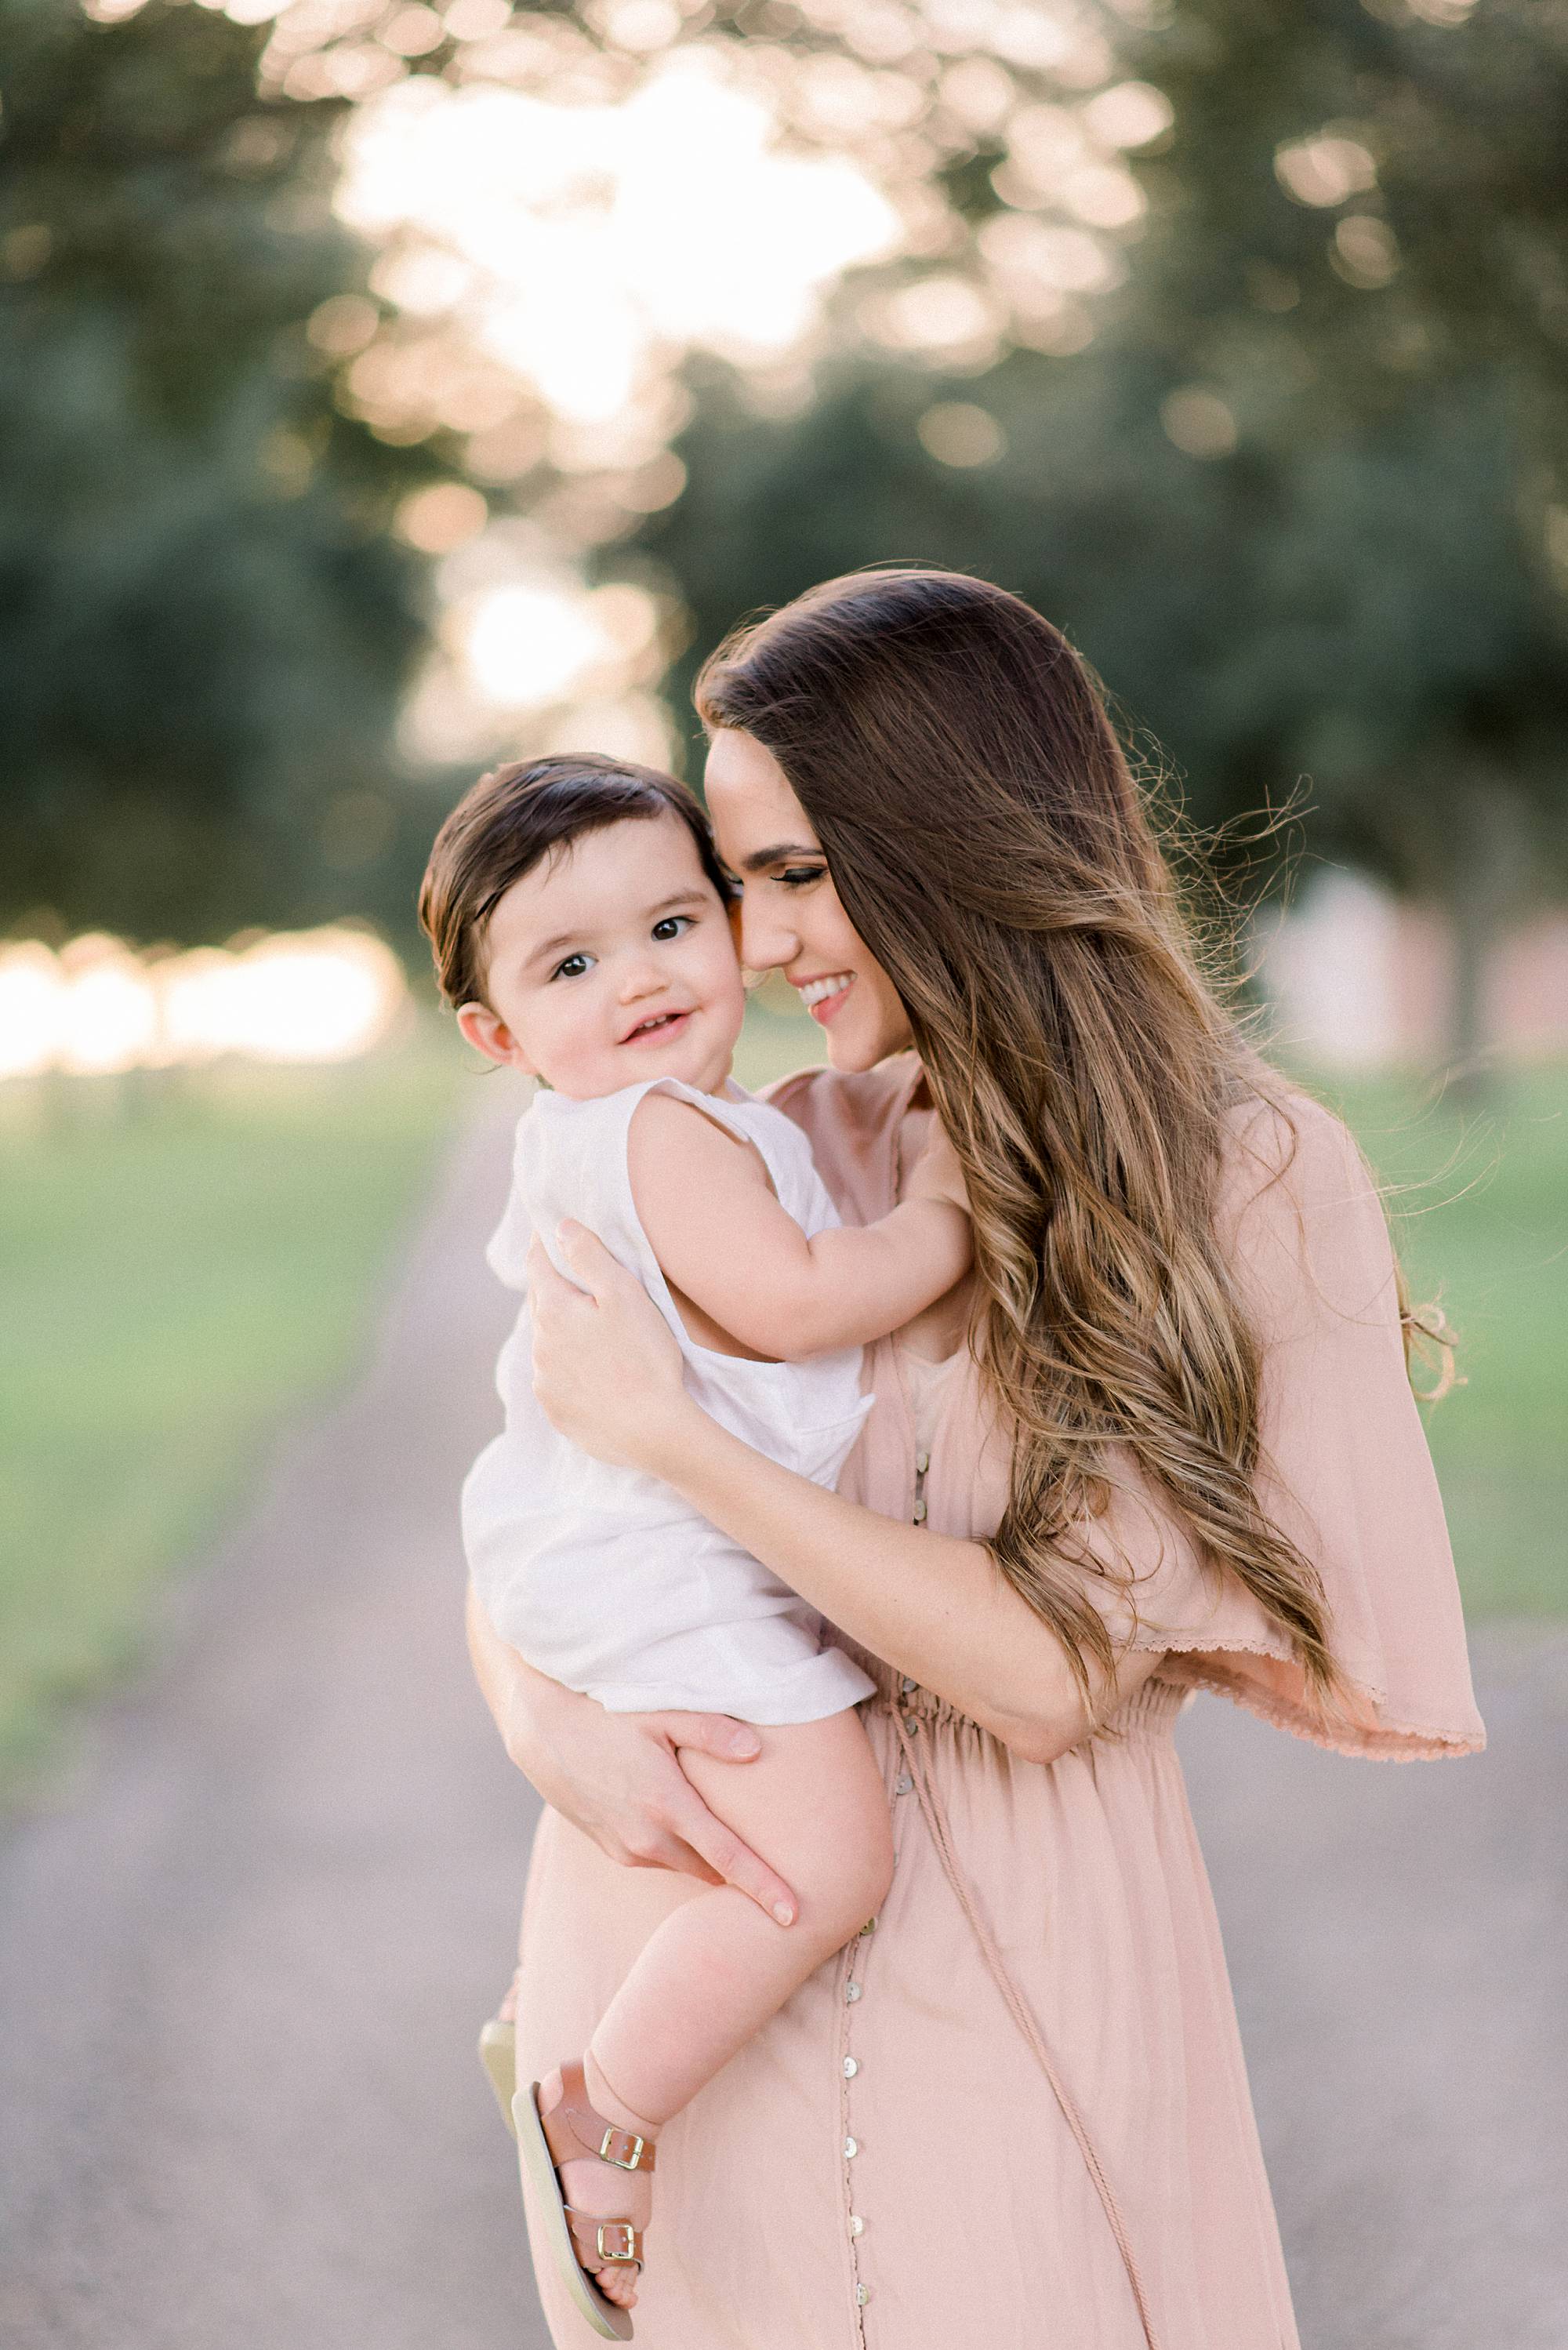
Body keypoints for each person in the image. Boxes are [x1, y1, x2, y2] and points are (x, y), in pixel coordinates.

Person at [467, 569, 1486, 2350]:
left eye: (794, 874)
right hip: (685, 1993)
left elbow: (1042, 1669)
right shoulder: (759, 1155)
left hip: (1027, 1988)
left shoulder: (1242, 1174)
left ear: (949, 834)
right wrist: (537, 1715)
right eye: (739, 885)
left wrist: (687, 1444)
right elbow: (534, 1507)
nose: (758, 945)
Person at [419, 752, 971, 2337]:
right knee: (827, 1860)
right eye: (572, 964)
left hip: (633, 1539)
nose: (641, 976)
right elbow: (800, 1301)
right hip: (656, 1554)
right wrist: (944, 1212)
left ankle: (596, 2012)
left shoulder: (672, 1121)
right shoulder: (656, 1130)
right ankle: (599, 2095)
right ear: (496, 1033)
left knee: (781, 1843)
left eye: (673, 921)